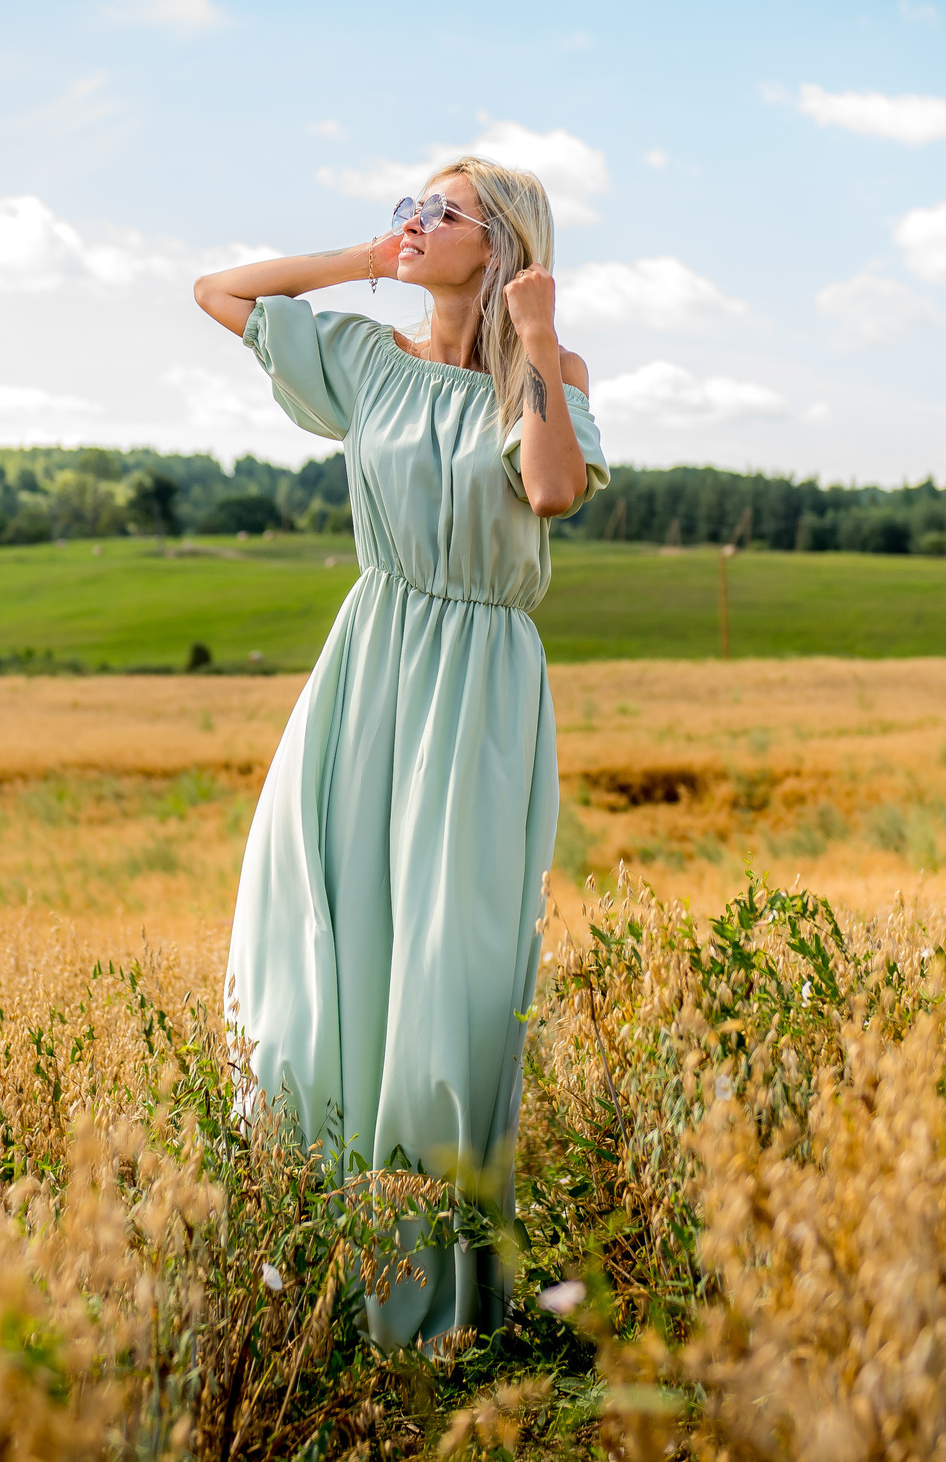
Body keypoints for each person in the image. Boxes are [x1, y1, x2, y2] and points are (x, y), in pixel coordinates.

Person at [190, 155, 608, 1348]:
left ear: (505, 244)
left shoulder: (549, 375)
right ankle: (310, 1262)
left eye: (443, 213)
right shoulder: (365, 365)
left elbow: (551, 488)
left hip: (479, 687)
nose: (416, 223)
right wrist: (363, 263)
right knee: (318, 948)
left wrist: (533, 337)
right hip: (368, 665)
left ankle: (428, 1291)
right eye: (407, 208)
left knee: (448, 964)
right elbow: (221, 290)